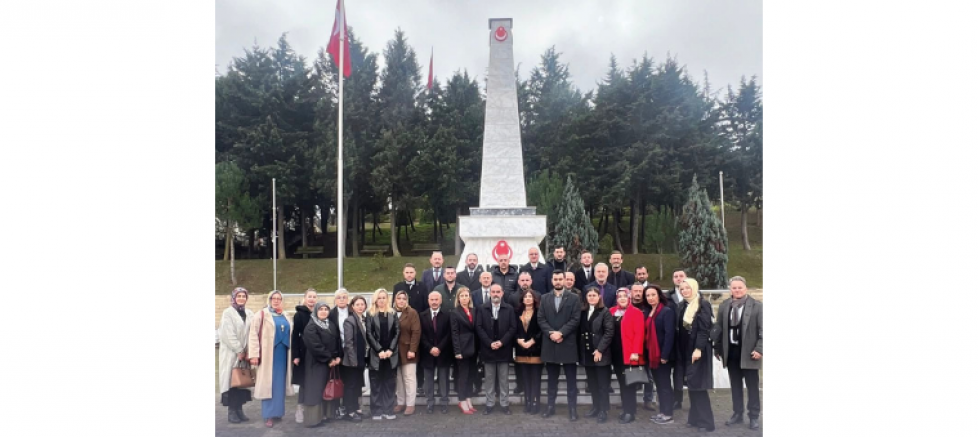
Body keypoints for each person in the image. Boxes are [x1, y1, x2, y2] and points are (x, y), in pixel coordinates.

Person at [714, 276, 762, 430]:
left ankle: (754, 416)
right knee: (735, 385)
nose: (737, 290)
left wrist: (760, 349)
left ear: (745, 288)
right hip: (732, 352)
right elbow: (719, 329)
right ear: (730, 290)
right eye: (734, 288)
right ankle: (737, 413)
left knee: (752, 386)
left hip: (750, 352)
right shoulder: (724, 306)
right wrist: (718, 347)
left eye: (740, 287)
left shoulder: (757, 306)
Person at [537, 270, 582, 421]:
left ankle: (573, 409)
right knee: (551, 380)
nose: (557, 281)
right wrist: (551, 333)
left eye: (560, 279)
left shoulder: (574, 298)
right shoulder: (544, 298)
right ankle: (550, 407)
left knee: (571, 380)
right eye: (555, 279)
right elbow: (541, 319)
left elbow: (576, 319)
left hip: (567, 343)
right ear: (552, 281)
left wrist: (561, 333)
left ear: (564, 280)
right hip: (550, 344)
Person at [248, 290, 294, 428]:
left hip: (283, 354)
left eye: (278, 298)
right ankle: (268, 415)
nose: (276, 301)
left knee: (279, 384)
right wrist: (254, 354)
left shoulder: (286, 315)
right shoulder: (261, 314)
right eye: (273, 298)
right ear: (269, 299)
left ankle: (278, 412)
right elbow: (253, 334)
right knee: (268, 384)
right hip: (268, 355)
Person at [677, 278, 715, 432]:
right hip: (686, 350)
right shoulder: (682, 305)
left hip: (698, 351)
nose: (684, 291)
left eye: (687, 288)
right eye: (682, 288)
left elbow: (704, 329)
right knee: (692, 385)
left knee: (699, 386)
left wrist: (698, 348)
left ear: (694, 288)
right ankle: (694, 419)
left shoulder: (702, 304)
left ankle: (707, 423)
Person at [476, 283, 517, 415]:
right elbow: (479, 327)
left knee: (504, 379)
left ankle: (504, 404)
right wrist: (489, 343)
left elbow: (512, 328)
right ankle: (489, 404)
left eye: (497, 292)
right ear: (489, 294)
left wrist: (502, 342)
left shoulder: (509, 309)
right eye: (493, 292)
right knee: (489, 379)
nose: (495, 294)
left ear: (502, 293)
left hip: (504, 349)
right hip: (488, 350)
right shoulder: (482, 308)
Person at [299, 302, 342, 428]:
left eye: (326, 309)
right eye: (321, 309)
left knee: (326, 388)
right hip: (315, 363)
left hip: (329, 363)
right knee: (315, 390)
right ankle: (314, 419)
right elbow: (315, 346)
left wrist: (338, 356)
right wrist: (329, 359)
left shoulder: (331, 325)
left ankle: (326, 415)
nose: (323, 311)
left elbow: (337, 341)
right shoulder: (311, 326)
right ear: (316, 311)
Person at [609, 288, 646, 424]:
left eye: (625, 296)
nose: (622, 298)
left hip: (629, 354)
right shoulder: (612, 311)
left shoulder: (636, 312)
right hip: (615, 354)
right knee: (621, 382)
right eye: (620, 297)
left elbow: (639, 333)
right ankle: (625, 409)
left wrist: (636, 352)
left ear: (629, 297)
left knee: (628, 384)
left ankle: (630, 412)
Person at [578, 286, 614, 423]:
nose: (591, 297)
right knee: (592, 383)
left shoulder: (605, 312)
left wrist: (600, 350)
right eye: (589, 295)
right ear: (586, 297)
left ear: (599, 297)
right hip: (587, 353)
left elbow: (609, 332)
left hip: (600, 353)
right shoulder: (583, 311)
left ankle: (603, 410)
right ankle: (595, 407)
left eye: (594, 295)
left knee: (602, 384)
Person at [218, 287, 254, 424]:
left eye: (243, 296)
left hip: (245, 354)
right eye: (238, 296)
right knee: (232, 381)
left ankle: (239, 410)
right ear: (233, 297)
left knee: (241, 382)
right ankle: (232, 411)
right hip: (232, 354)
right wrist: (239, 350)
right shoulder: (228, 313)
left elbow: (252, 332)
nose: (241, 298)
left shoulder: (249, 313)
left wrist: (248, 351)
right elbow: (228, 334)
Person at [393, 263, 429, 396]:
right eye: (407, 272)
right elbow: (394, 306)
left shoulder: (422, 286)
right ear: (403, 273)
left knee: (417, 355)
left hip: (418, 325)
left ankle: (420, 384)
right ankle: (401, 391)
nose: (409, 274)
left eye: (411, 272)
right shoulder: (398, 287)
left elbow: (426, 306)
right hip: (402, 327)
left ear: (415, 273)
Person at [365, 288, 400, 420]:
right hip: (376, 355)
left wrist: (390, 350)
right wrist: (379, 350)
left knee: (390, 383)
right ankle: (377, 411)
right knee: (376, 384)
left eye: (384, 297)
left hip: (391, 355)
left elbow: (397, 332)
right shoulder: (370, 314)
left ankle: (388, 410)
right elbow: (369, 334)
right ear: (375, 299)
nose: (381, 300)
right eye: (379, 298)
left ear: (387, 299)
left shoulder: (393, 313)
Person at [645, 285, 677, 425]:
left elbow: (670, 334)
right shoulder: (649, 311)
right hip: (652, 355)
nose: (650, 298)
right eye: (648, 295)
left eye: (653, 295)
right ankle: (662, 411)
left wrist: (665, 355)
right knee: (659, 385)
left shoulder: (666, 311)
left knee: (665, 385)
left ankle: (668, 414)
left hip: (662, 355)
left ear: (659, 295)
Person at [419, 291, 453, 414]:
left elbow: (449, 334)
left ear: (441, 301)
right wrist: (430, 348)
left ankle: (444, 402)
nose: (434, 302)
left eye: (436, 299)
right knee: (428, 379)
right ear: (428, 301)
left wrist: (439, 347)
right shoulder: (422, 315)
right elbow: (420, 334)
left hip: (443, 352)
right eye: (432, 299)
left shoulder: (447, 315)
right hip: (427, 353)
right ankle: (430, 402)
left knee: (443, 378)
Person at [291, 288, 318, 424]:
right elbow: (295, 336)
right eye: (309, 297)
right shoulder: (299, 315)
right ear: (305, 298)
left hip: (317, 354)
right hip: (304, 353)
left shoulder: (319, 313)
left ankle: (312, 410)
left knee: (315, 382)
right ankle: (300, 408)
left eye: (314, 297)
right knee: (304, 382)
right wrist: (296, 355)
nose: (312, 299)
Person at [451, 287, 480, 414]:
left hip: (474, 348)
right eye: (462, 296)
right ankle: (462, 400)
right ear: (458, 298)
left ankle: (468, 399)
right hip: (462, 349)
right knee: (463, 376)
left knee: (471, 375)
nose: (464, 298)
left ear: (469, 297)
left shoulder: (474, 311)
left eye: (466, 295)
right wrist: (457, 351)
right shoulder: (455, 312)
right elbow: (454, 333)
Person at [515, 288, 543, 414]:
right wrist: (518, 340)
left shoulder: (539, 312)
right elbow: (513, 328)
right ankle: (528, 402)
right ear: (522, 299)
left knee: (535, 379)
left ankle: (536, 403)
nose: (528, 299)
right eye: (525, 297)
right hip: (521, 350)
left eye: (530, 297)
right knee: (525, 379)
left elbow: (542, 330)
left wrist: (532, 341)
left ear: (534, 299)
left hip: (536, 350)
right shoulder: (517, 312)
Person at [340, 295, 369, 422]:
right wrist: (353, 361)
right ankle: (349, 411)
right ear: (352, 307)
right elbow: (348, 343)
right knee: (350, 386)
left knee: (357, 385)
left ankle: (356, 408)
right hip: (351, 361)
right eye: (357, 304)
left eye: (362, 304)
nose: (360, 307)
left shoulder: (364, 319)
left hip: (361, 359)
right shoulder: (349, 321)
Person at [393, 290, 421, 416]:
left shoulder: (412, 313)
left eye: (404, 298)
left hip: (408, 350)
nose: (401, 301)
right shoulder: (391, 312)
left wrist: (412, 350)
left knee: (409, 378)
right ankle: (400, 402)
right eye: (399, 298)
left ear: (407, 300)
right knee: (398, 378)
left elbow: (416, 332)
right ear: (395, 300)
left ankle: (410, 404)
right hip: (394, 351)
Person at [629, 283, 654, 411]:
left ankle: (648, 400)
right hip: (630, 347)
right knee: (631, 374)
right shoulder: (626, 307)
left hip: (646, 346)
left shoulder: (648, 308)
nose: (638, 293)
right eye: (635, 291)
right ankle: (628, 400)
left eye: (640, 291)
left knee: (649, 375)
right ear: (631, 293)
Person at [667, 268, 687, 411]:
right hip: (670, 338)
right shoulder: (667, 296)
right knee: (668, 370)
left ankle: (678, 399)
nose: (678, 278)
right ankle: (669, 397)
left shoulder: (693, 297)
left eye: (681, 276)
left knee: (680, 371)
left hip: (685, 339)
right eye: (676, 276)